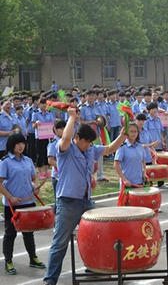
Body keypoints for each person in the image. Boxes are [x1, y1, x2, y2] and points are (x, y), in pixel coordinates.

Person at [43, 108, 126, 285]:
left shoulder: (91, 150)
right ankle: (50, 280)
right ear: (77, 138)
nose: (88, 145)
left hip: (86, 201)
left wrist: (122, 136)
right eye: (86, 142)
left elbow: (110, 148)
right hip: (68, 202)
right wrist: (72, 118)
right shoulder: (66, 150)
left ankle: (94, 269)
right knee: (60, 243)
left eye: (90, 142)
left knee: (97, 236)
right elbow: (65, 139)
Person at [0, 133, 46, 275]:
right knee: (10, 233)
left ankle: (33, 258)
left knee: (28, 233)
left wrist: (35, 186)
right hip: (12, 205)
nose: (21, 146)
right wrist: (10, 197)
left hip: (28, 203)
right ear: (11, 145)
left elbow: (33, 178)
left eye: (23, 143)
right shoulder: (5, 161)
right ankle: (8, 260)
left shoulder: (28, 160)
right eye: (17, 144)